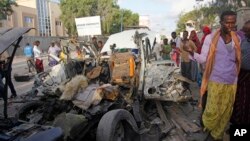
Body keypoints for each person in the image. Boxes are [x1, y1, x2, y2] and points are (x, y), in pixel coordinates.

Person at [186, 11, 241, 140]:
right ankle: (207, 127)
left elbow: (237, 58)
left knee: (226, 112)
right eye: (227, 22)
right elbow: (204, 59)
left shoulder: (237, 38)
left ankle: (216, 135)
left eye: (233, 22)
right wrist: (192, 53)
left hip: (232, 80)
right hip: (216, 79)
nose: (230, 25)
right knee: (212, 111)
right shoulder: (211, 38)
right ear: (221, 22)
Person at [231, 20, 250, 125]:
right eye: (244, 30)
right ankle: (236, 122)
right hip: (241, 75)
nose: (245, 33)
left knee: (246, 102)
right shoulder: (244, 41)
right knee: (238, 99)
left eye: (247, 31)